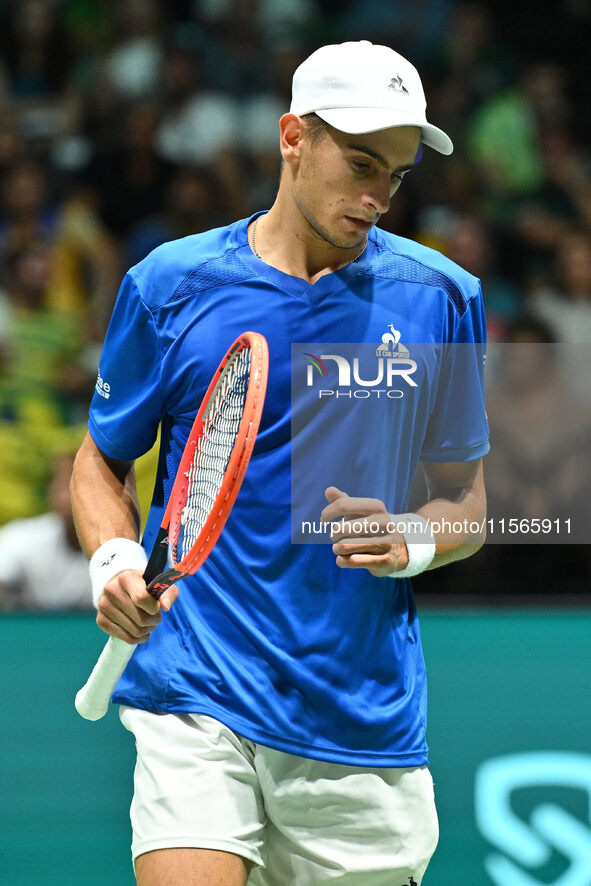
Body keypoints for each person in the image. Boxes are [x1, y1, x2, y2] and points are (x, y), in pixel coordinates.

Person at [71, 40, 489, 886]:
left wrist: (410, 538)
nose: (377, 195)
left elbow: (467, 505)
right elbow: (100, 462)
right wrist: (115, 561)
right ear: (292, 136)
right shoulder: (171, 285)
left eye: (398, 175)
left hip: (356, 714)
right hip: (195, 691)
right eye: (361, 161)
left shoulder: (440, 297)